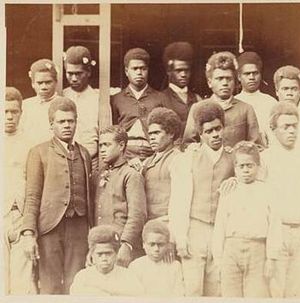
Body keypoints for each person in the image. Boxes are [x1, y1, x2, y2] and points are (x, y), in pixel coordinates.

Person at [21, 97, 93, 294]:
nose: (67, 125)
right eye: (61, 122)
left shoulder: (84, 153)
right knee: (50, 286)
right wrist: (29, 233)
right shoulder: (38, 152)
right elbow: (32, 196)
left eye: (71, 121)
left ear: (77, 122)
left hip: (79, 227)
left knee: (77, 283)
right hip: (50, 228)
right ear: (51, 125)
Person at [169, 100, 234, 296]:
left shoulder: (234, 158)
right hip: (195, 228)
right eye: (209, 131)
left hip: (221, 230)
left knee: (217, 288)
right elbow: (178, 200)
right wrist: (180, 236)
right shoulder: (188, 158)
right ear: (200, 133)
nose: (215, 135)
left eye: (218, 128)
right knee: (193, 288)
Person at [264, 102, 300, 298]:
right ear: (273, 130)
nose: (292, 131)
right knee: (276, 292)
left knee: (299, 293)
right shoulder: (265, 160)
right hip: (276, 234)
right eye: (285, 127)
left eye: (294, 126)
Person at [212, 141, 281, 297]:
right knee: (230, 295)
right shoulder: (229, 190)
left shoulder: (267, 190)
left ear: (258, 166)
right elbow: (220, 226)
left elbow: (274, 226)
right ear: (235, 168)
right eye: (241, 166)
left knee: (257, 294)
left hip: (257, 249)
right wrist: (218, 258)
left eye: (250, 166)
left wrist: (271, 258)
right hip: (231, 249)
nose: (246, 170)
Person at [183, 51, 261, 147]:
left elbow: (257, 146)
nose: (225, 83)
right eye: (219, 79)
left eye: (229, 79)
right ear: (210, 82)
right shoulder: (197, 109)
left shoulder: (246, 109)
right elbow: (188, 144)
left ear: (235, 82)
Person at [95, 125, 147, 266]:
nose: (102, 150)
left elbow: (137, 214)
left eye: (107, 145)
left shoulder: (131, 175)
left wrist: (126, 244)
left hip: (121, 247)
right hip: (102, 247)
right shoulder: (99, 174)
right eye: (100, 146)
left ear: (121, 145)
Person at [4, 87, 36, 294]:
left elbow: (34, 183)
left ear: (21, 113)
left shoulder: (31, 143)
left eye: (14, 112)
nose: (9, 116)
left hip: (21, 215)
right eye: (4, 111)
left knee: (22, 281)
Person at [110, 47, 167, 161]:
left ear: (148, 70)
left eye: (143, 68)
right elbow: (113, 131)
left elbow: (167, 130)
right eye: (135, 68)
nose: (139, 73)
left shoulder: (160, 98)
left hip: (152, 155)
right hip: (125, 155)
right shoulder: (116, 99)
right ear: (127, 71)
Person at [70, 225, 144, 296]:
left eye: (108, 254)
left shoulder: (128, 276)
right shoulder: (83, 277)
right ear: (92, 255)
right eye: (99, 254)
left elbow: (137, 296)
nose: (104, 258)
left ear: (116, 254)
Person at [142, 107, 182, 223]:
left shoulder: (178, 159)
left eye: (157, 133)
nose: (152, 137)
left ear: (171, 134)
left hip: (167, 221)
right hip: (148, 222)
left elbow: (180, 197)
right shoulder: (147, 162)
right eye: (150, 134)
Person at [63, 45, 99, 168]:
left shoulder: (98, 99)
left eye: (78, 74)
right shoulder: (61, 97)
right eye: (70, 73)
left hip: (92, 162)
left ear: (88, 72)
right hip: (63, 162)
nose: (73, 78)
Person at [129, 220, 184, 296]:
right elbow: (133, 295)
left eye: (161, 244)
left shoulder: (175, 266)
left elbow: (178, 294)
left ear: (168, 245)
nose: (156, 249)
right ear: (144, 244)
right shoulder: (136, 266)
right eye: (152, 244)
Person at [235, 52, 277, 147]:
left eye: (255, 73)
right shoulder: (234, 102)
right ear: (239, 77)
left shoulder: (270, 102)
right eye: (247, 74)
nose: (251, 77)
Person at [161, 41, 201, 135]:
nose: (183, 74)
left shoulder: (197, 98)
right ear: (169, 71)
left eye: (186, 70)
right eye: (178, 71)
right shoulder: (160, 98)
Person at [21, 58, 59, 146]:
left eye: (48, 82)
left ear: (56, 82)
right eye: (40, 83)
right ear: (33, 84)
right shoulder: (25, 106)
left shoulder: (62, 104)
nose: (44, 87)